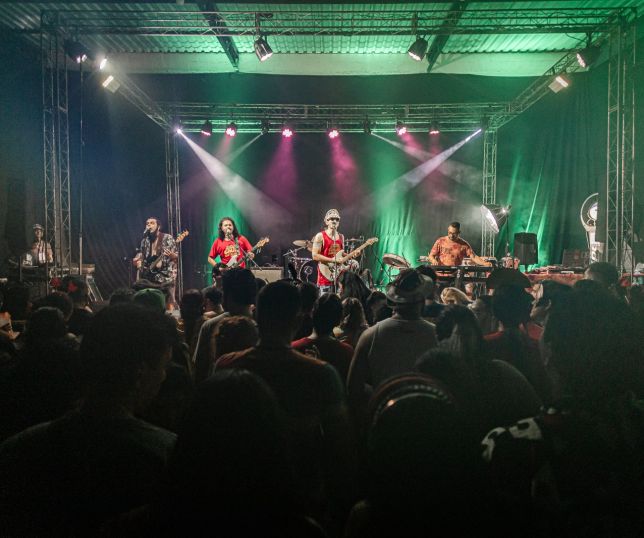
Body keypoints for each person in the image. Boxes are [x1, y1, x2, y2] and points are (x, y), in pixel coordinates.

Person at [0, 304, 176, 536]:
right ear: (139, 372)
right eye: (163, 366)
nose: (163, 376)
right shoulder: (168, 458)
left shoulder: (17, 450)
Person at [347, 269, 438, 422]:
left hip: (383, 419)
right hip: (424, 421)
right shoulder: (437, 335)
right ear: (422, 300)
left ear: (394, 301)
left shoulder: (370, 335)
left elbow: (353, 387)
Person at [133, 217, 178, 308]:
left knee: (169, 300)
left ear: (158, 226)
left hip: (165, 274)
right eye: (147, 223)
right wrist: (137, 260)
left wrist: (171, 255)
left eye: (152, 223)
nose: (149, 225)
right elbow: (141, 254)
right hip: (150, 274)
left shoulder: (167, 238)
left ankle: (172, 310)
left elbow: (176, 256)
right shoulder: (145, 241)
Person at [312, 209, 350, 292]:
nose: (334, 221)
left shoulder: (341, 237)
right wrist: (332, 260)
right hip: (325, 275)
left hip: (339, 277)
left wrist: (350, 256)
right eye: (332, 219)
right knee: (326, 299)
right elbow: (314, 256)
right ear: (326, 221)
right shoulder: (320, 236)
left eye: (337, 219)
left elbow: (341, 253)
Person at [207, 217, 254, 282]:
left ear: (233, 227)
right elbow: (210, 258)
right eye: (225, 225)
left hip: (241, 273)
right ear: (221, 228)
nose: (228, 227)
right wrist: (218, 268)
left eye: (230, 225)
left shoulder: (241, 238)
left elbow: (250, 253)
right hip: (226, 274)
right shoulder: (218, 241)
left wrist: (251, 255)